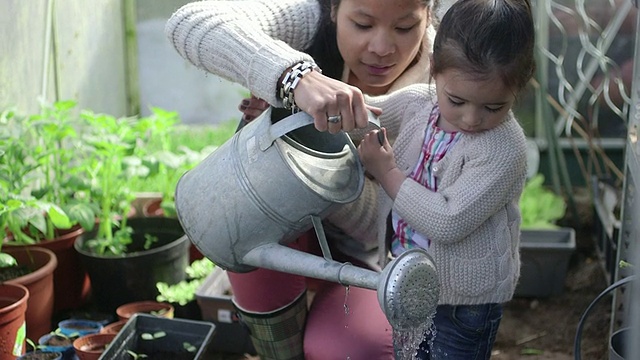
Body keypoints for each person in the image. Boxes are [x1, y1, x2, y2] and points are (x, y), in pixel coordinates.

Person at [165, 0, 448, 358]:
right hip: (288, 234)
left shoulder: (444, 85)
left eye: (405, 28)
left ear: (429, 16)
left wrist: (316, 168)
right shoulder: (308, 22)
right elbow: (188, 23)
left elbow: (386, 226)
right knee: (242, 218)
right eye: (362, 24)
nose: (381, 48)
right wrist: (294, 77)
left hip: (373, 260)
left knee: (349, 348)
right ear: (333, 9)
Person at [351, 0, 536, 358]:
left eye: (493, 107)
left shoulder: (504, 149)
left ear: (519, 86)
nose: (471, 118)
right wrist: (299, 104)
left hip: (463, 304)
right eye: (457, 100)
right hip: (408, 281)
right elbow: (363, 117)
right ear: (434, 68)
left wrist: (387, 172)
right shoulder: (418, 104)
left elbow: (448, 220)